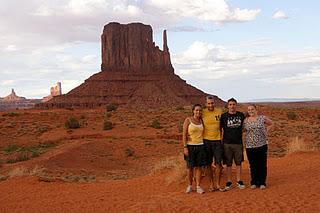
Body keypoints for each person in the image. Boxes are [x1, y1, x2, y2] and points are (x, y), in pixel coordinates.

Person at [244, 104, 273, 190]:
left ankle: (262, 182)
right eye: (249, 110)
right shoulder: (245, 121)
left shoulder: (262, 118)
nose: (251, 111)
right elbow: (242, 130)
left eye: (252, 109)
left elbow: (271, 124)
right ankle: (254, 182)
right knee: (252, 165)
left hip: (262, 145)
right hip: (249, 146)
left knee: (262, 164)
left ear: (256, 110)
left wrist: (266, 131)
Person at [220, 98, 246, 190]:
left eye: (234, 104)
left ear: (236, 105)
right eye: (230, 104)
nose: (232, 106)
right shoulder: (223, 116)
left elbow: (244, 127)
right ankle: (229, 181)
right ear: (227, 106)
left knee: (238, 163)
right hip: (227, 143)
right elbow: (220, 129)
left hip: (238, 143)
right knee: (228, 163)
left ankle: (239, 181)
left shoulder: (241, 115)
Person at [182, 104, 207, 194]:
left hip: (200, 145)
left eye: (200, 110)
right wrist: (185, 147)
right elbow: (184, 134)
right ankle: (189, 186)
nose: (198, 112)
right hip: (190, 146)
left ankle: (198, 186)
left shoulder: (202, 121)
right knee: (190, 167)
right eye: (196, 110)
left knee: (199, 167)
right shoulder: (188, 120)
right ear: (193, 111)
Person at [202, 96, 225, 192]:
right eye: (209, 103)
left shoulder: (219, 111)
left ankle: (218, 184)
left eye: (212, 103)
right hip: (206, 141)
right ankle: (211, 184)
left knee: (219, 164)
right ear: (206, 104)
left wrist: (222, 138)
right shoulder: (202, 112)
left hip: (217, 141)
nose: (210, 105)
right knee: (208, 164)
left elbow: (222, 126)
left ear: (214, 103)